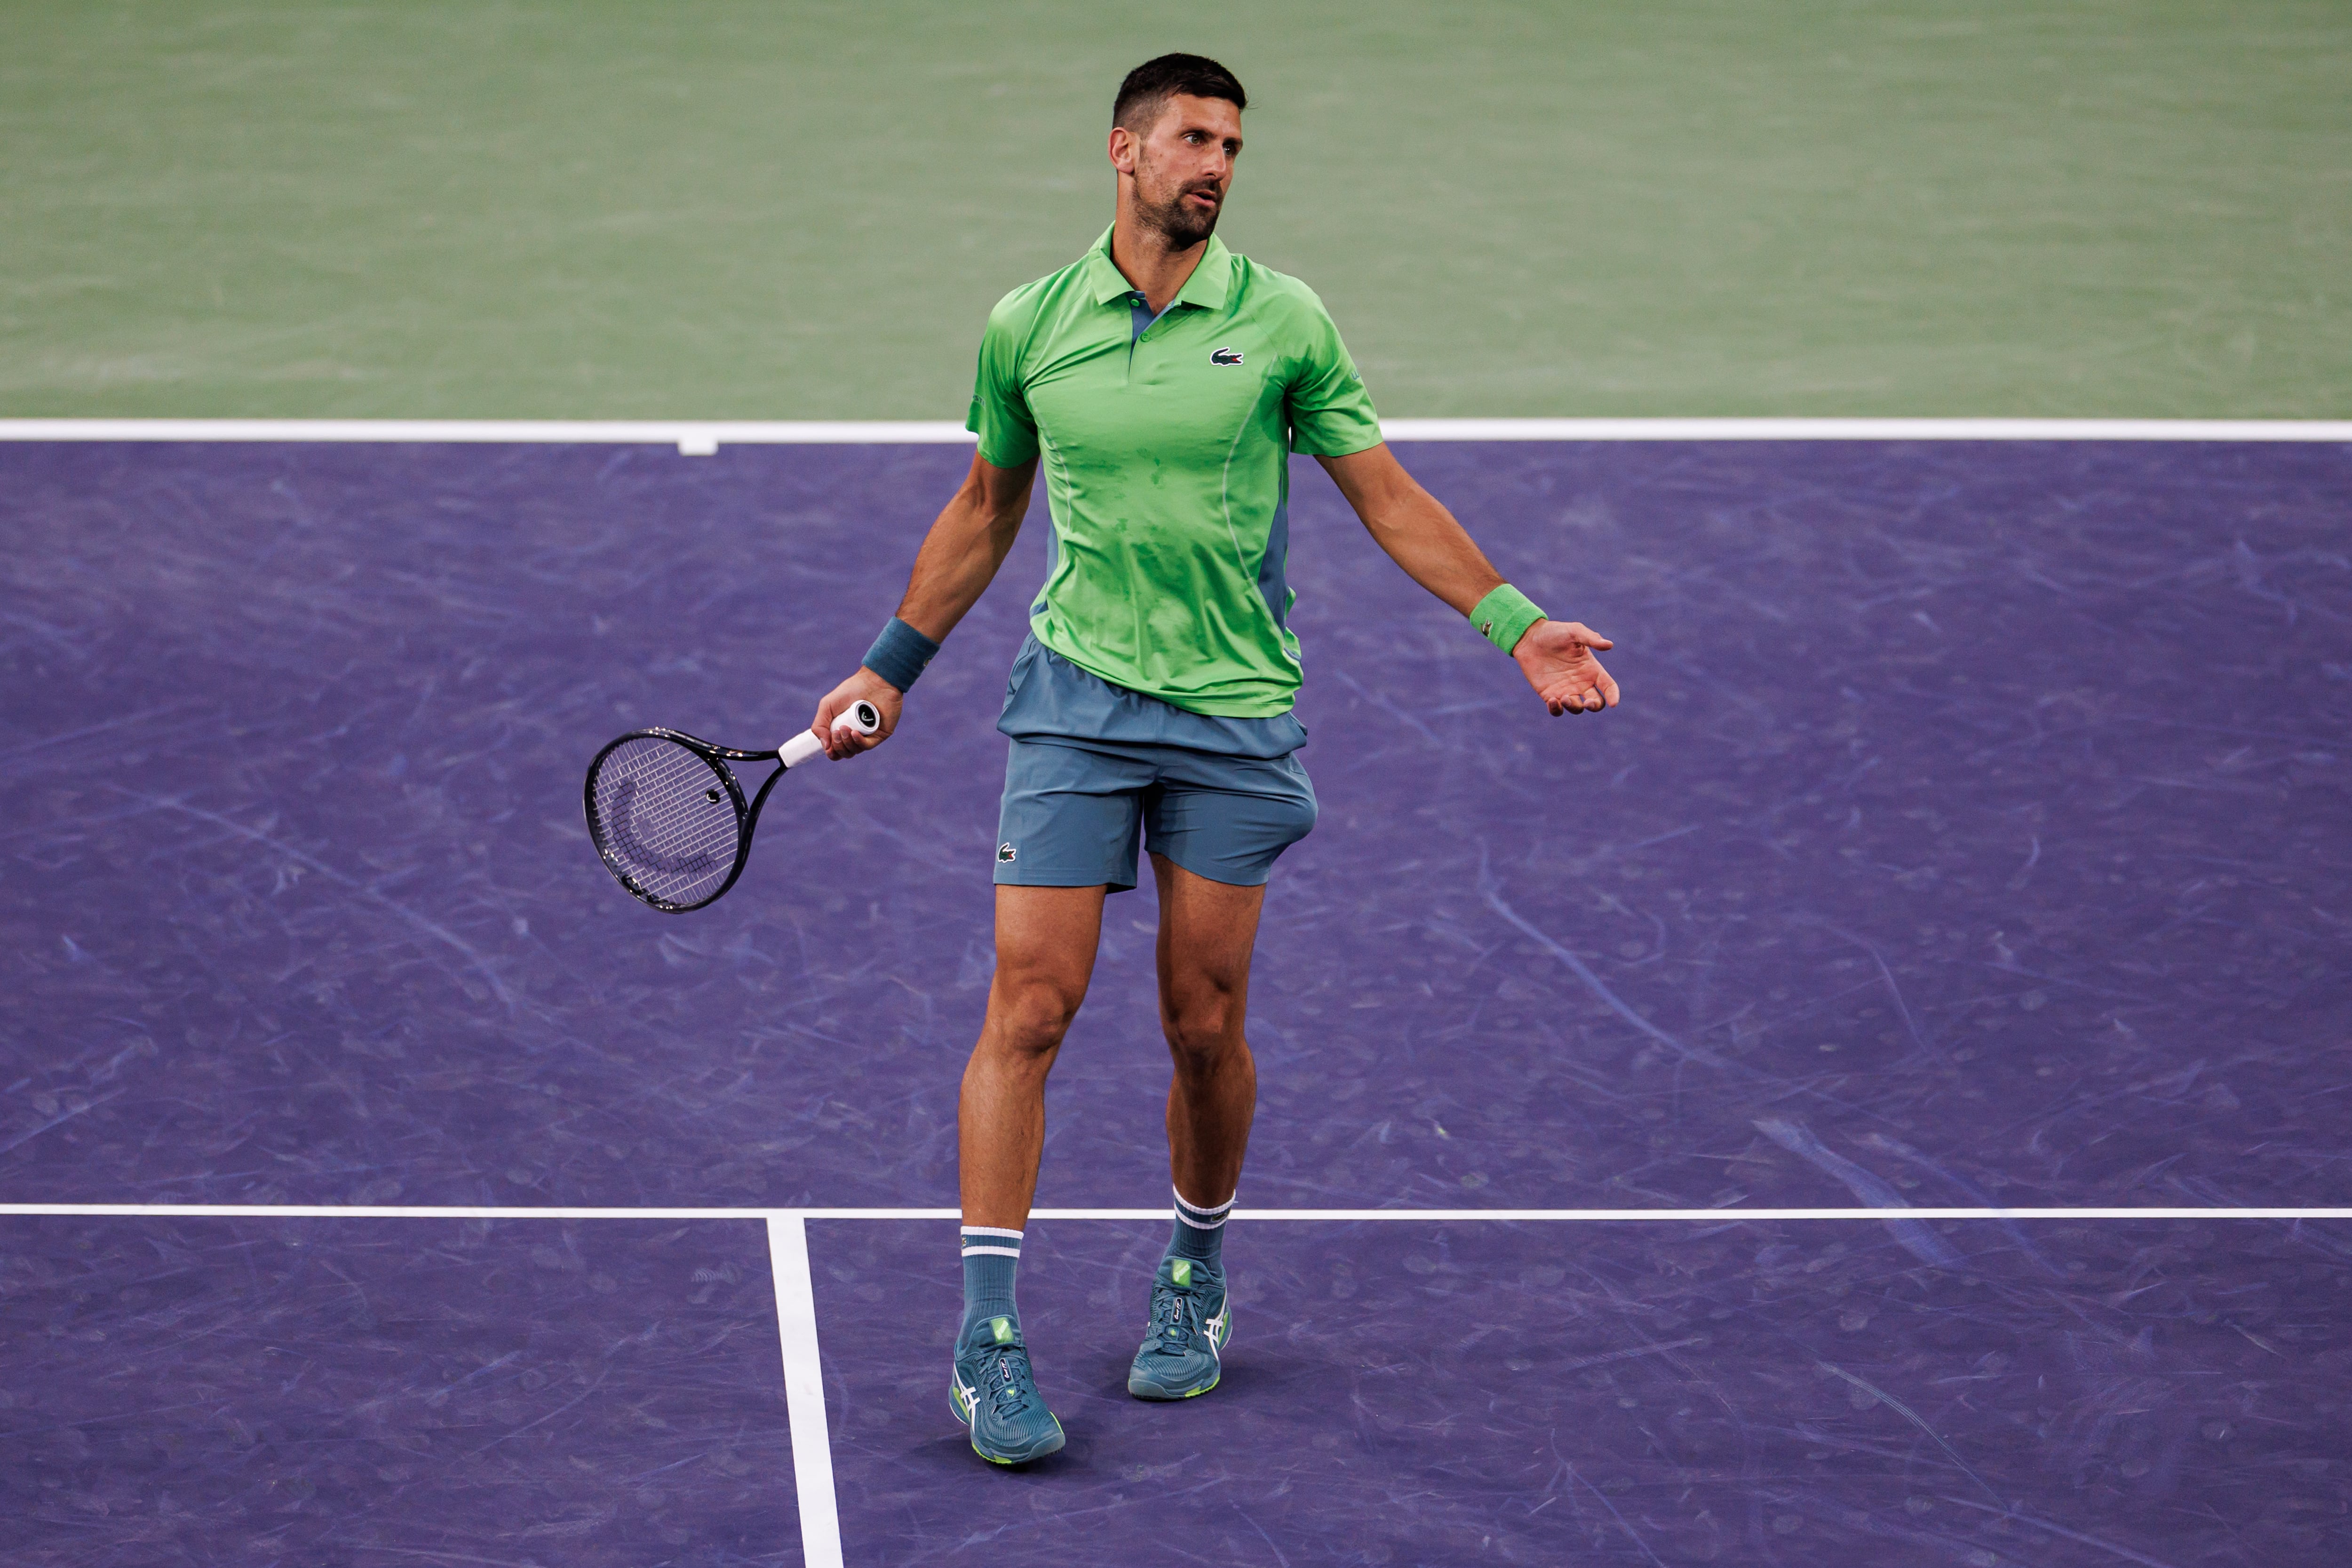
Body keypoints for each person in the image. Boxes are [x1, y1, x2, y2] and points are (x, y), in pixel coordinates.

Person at [808, 53, 1619, 1466]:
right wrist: (892, 664)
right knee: (1032, 1006)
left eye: (1234, 145)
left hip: (1232, 713)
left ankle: (1195, 1272)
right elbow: (986, 505)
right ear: (1122, 151)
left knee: (1203, 1022)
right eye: (1193, 138)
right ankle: (986, 1336)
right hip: (1073, 704)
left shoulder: (1285, 319)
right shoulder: (1031, 324)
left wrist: (1516, 623)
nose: (1218, 165)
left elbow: (1386, 491)